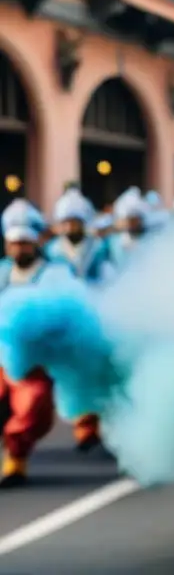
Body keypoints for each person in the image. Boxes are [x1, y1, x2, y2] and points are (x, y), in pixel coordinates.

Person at [0, 200, 73, 487]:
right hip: (1, 356)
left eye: (24, 243)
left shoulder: (53, 274)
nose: (19, 249)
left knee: (32, 407)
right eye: (14, 244)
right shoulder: (2, 272)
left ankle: (15, 462)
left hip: (35, 361)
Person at [44, 186, 113, 451]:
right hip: (64, 321)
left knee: (93, 371)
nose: (71, 226)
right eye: (67, 222)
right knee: (69, 374)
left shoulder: (100, 249)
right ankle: (81, 421)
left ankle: (90, 424)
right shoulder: (52, 251)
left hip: (95, 316)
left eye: (75, 221)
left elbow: (108, 277)